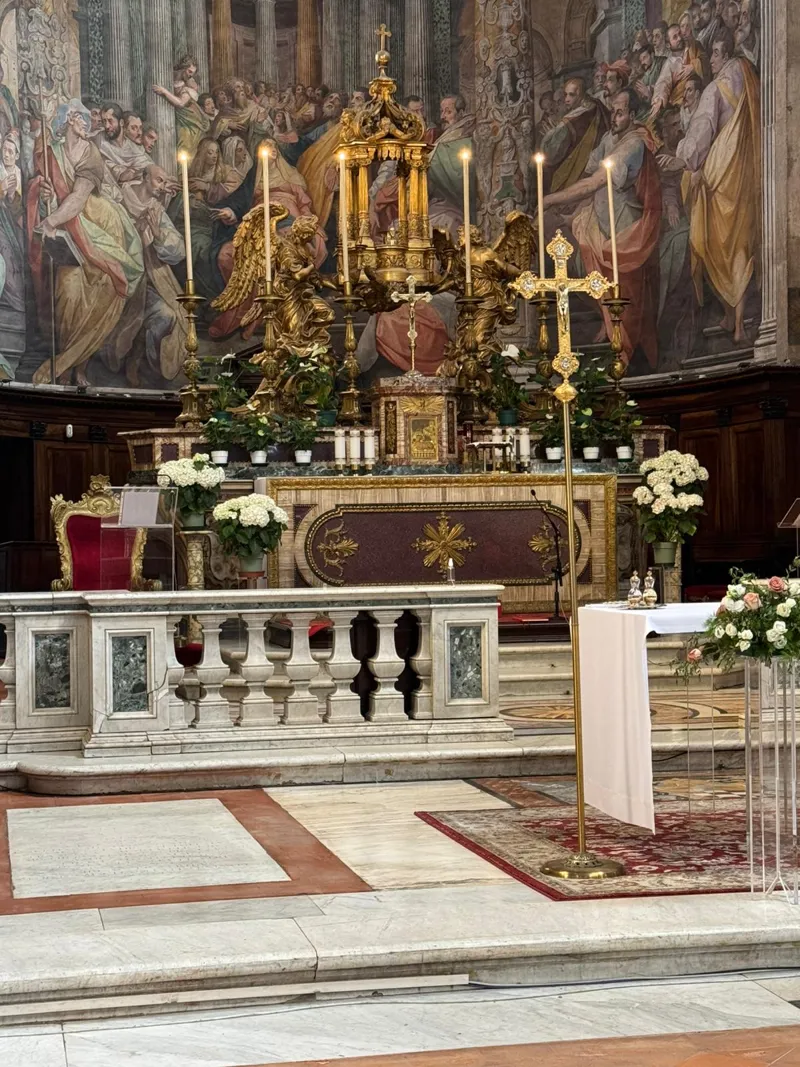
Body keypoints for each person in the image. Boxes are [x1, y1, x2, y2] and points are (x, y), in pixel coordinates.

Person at [26, 100, 144, 385]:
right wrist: (43, 192)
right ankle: (68, 361)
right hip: (67, 228)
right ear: (69, 120)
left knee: (104, 286)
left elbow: (78, 197)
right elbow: (44, 182)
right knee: (68, 291)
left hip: (98, 225)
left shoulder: (90, 153)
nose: (87, 124)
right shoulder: (53, 152)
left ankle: (79, 365)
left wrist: (51, 220)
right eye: (81, 118)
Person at [542, 88, 662, 370]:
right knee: (577, 259)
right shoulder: (610, 138)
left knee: (625, 292)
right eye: (613, 112)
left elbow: (595, 182)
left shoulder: (634, 145)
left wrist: (550, 199)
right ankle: (607, 323)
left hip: (625, 230)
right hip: (600, 223)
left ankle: (626, 356)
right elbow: (589, 175)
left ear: (633, 115)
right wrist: (571, 211)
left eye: (620, 113)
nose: (614, 117)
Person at [677, 27, 760, 343]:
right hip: (748, 172)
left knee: (712, 244)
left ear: (724, 55)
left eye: (714, 53)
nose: (710, 59)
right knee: (741, 245)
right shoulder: (750, 77)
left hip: (722, 174)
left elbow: (700, 135)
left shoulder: (714, 89)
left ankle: (730, 316)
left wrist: (684, 158)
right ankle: (736, 323)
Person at [209, 139, 326, 339]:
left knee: (287, 253)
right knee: (228, 254)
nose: (271, 149)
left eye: (273, 146)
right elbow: (239, 201)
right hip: (259, 226)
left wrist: (310, 225)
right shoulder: (254, 178)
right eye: (265, 146)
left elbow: (305, 207)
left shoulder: (292, 176)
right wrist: (231, 211)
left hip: (290, 223)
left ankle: (283, 314)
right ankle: (244, 310)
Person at [116, 164, 186, 385]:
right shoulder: (120, 196)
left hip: (149, 277)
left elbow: (179, 249)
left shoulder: (156, 209)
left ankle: (140, 359)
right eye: (159, 180)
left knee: (168, 316)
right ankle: (126, 357)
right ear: (145, 178)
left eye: (165, 182)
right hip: (120, 273)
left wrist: (158, 234)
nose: (162, 186)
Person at [540, 77, 609, 194]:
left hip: (577, 174)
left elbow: (550, 155)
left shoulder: (569, 121)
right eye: (565, 95)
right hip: (597, 169)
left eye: (571, 95)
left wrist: (549, 135)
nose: (566, 99)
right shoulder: (597, 105)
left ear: (581, 95)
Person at [426, 95, 475, 238]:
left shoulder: (465, 139)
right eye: (442, 111)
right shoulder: (445, 137)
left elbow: (459, 175)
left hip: (454, 204)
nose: (442, 117)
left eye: (448, 112)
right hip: (438, 202)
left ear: (461, 113)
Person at [152, 54, 210, 155]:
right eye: (189, 71)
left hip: (192, 121)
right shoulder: (170, 76)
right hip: (181, 119)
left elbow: (181, 103)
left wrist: (164, 91)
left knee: (186, 148)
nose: (191, 75)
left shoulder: (190, 83)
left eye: (193, 73)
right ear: (183, 68)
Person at [649, 23, 705, 119]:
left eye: (679, 34)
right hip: (680, 104)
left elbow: (706, 61)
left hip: (699, 98)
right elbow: (663, 83)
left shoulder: (693, 47)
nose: (679, 38)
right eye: (675, 37)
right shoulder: (669, 63)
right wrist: (659, 100)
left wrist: (694, 66)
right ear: (668, 44)